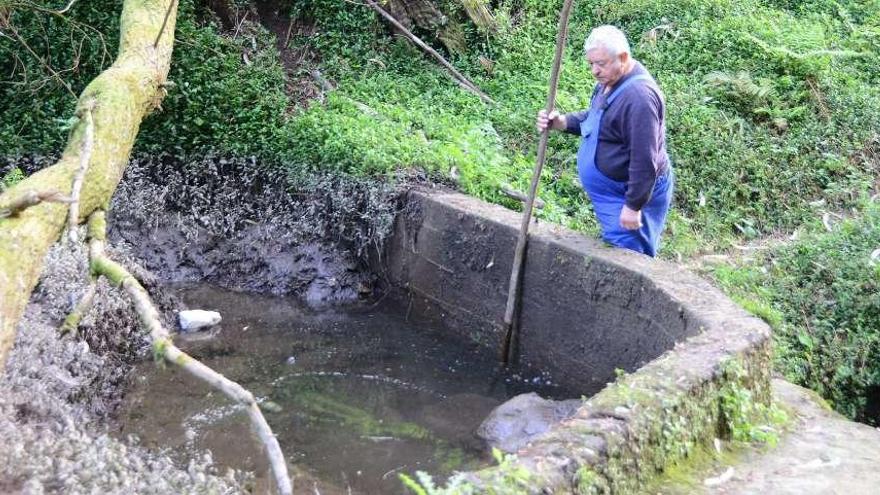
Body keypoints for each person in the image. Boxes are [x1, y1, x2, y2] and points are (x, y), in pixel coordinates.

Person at [536, 25, 674, 257]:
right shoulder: (610, 83)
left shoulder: (639, 99)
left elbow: (644, 159)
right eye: (591, 64)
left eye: (601, 63)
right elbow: (597, 120)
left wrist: (633, 206)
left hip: (628, 193)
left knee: (627, 254)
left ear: (623, 58)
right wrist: (561, 122)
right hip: (613, 193)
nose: (595, 71)